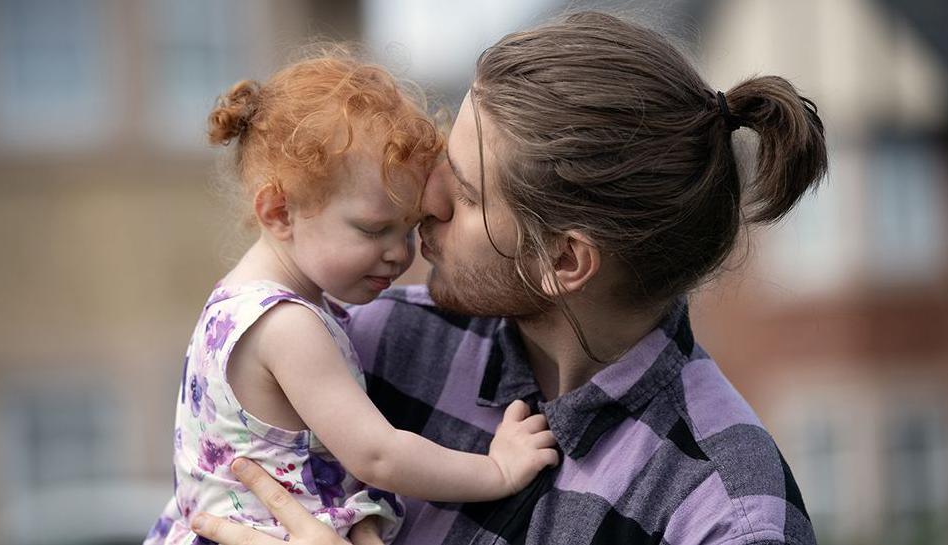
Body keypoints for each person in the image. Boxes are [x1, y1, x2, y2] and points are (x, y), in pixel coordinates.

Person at [191, 11, 828, 545]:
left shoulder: (723, 514)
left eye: (466, 193)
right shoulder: (373, 344)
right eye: (445, 155)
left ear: (563, 261)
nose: (428, 201)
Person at [144, 53, 559, 545]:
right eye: (374, 229)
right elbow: (377, 456)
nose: (399, 255)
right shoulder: (286, 327)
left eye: (408, 229)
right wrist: (497, 470)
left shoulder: (236, 301)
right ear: (279, 211)